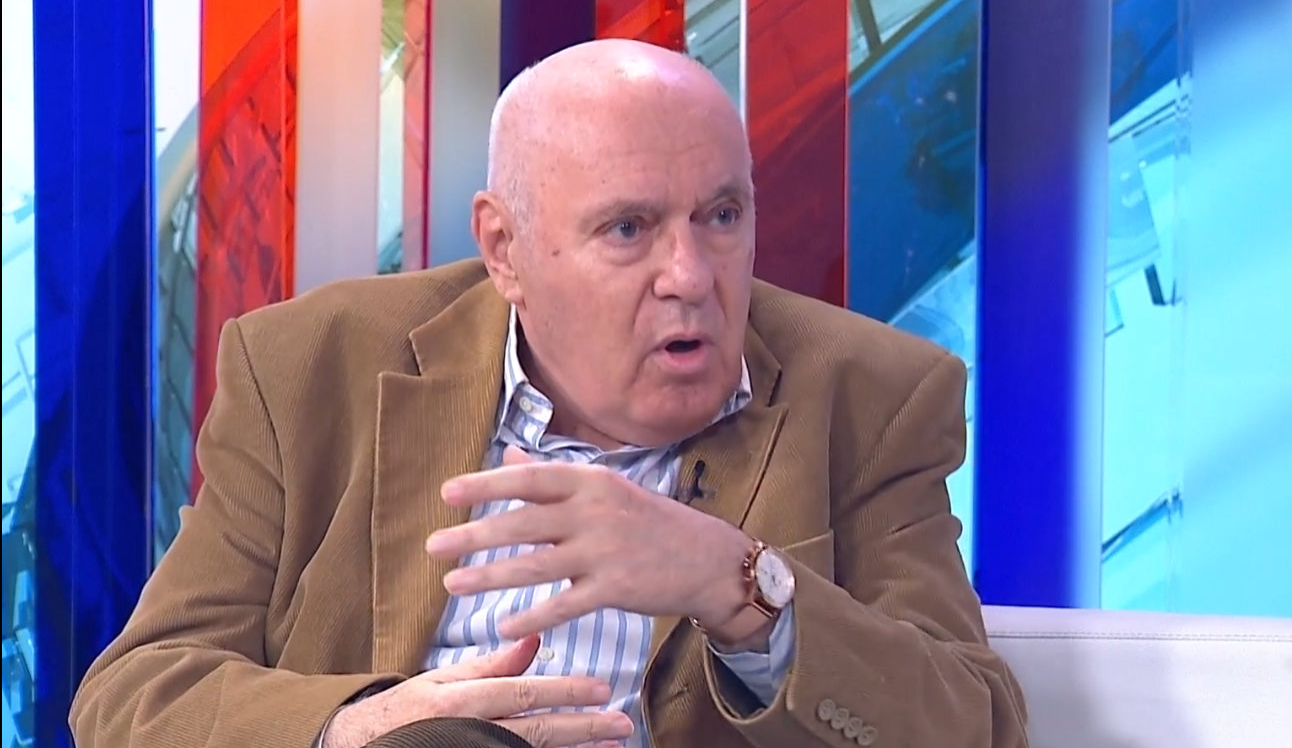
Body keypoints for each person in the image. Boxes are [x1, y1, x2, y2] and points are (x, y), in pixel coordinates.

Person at [70, 39, 1028, 748]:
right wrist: (357, 729)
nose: (691, 275)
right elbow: (136, 693)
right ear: (505, 249)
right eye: (628, 229)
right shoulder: (312, 369)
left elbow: (976, 726)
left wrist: (737, 584)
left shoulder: (870, 398)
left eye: (722, 215)